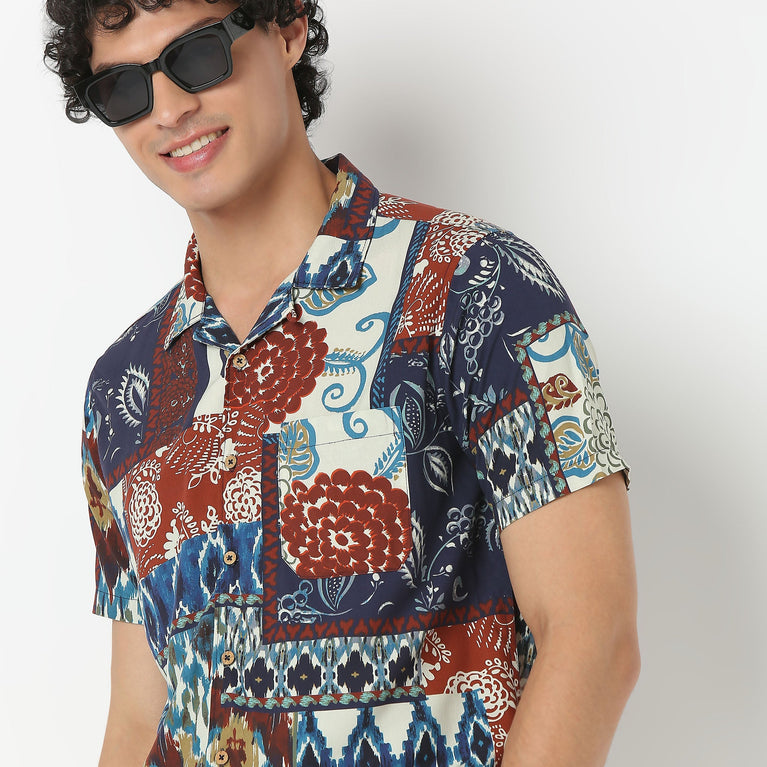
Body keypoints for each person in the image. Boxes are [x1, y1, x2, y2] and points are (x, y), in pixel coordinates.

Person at [45, 1, 640, 765]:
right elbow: (137, 715)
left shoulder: (479, 283)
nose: (168, 109)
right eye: (124, 89)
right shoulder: (122, 387)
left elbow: (592, 637)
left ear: (288, 29)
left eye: (196, 55)